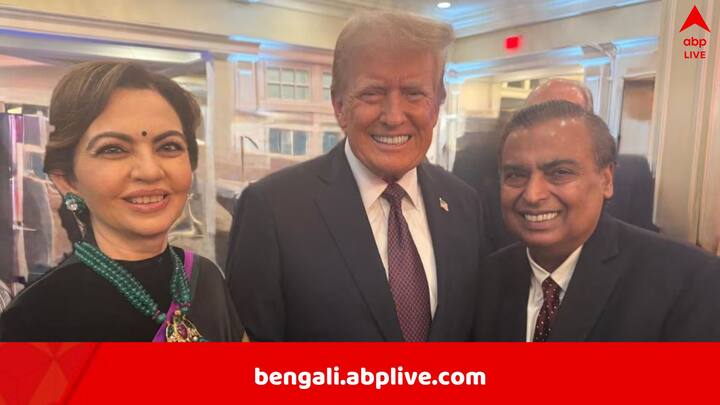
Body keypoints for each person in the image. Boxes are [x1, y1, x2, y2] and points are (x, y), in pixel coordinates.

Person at [226, 11, 489, 342]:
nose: (393, 117)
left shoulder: (464, 204)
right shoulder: (272, 209)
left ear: (436, 105)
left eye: (414, 93)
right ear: (339, 105)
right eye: (372, 93)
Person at [0, 62, 242, 341]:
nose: (150, 171)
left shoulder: (205, 279)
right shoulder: (35, 318)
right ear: (67, 180)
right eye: (113, 149)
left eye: (169, 146)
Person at [473, 100, 720, 341]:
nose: (533, 195)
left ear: (606, 180)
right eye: (516, 175)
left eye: (560, 173)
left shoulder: (688, 280)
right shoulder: (486, 279)